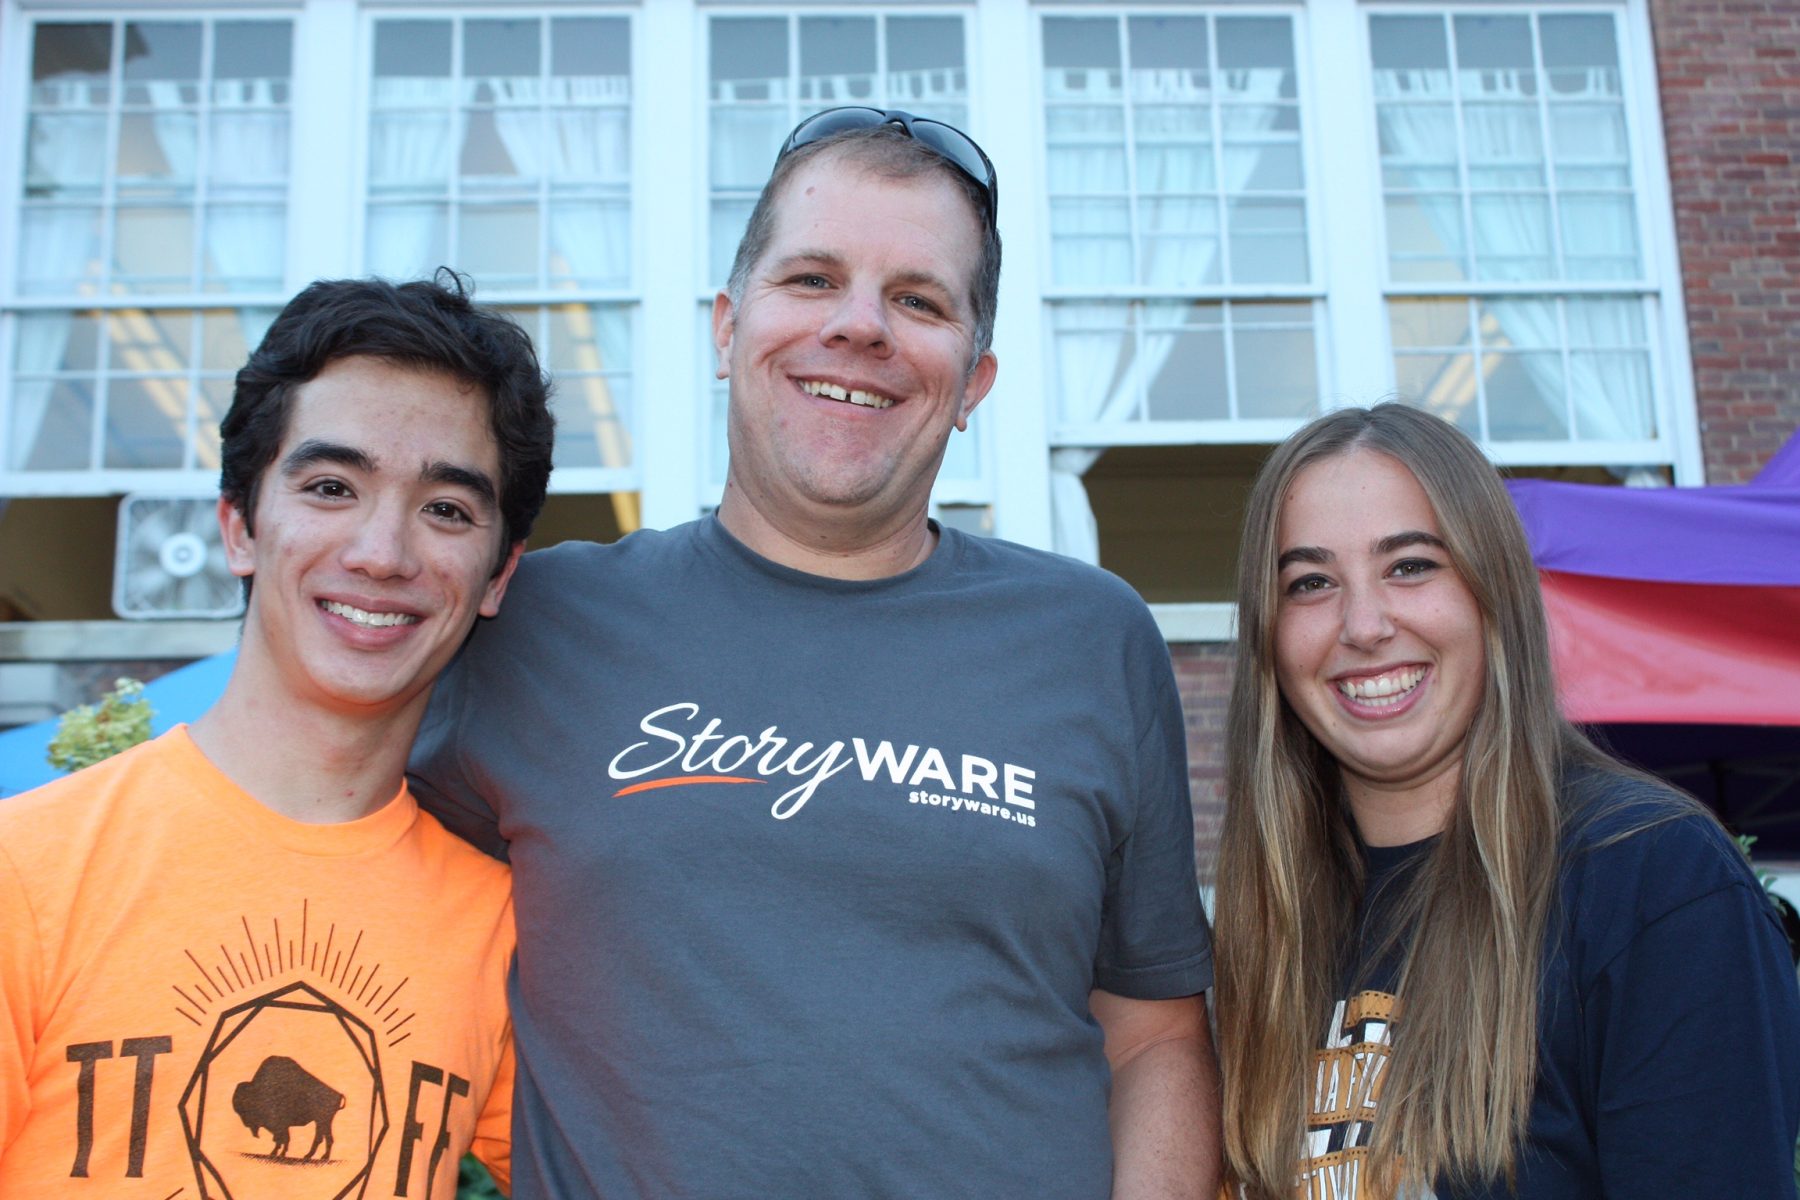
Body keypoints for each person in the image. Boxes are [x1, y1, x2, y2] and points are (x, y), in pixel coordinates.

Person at [410, 107, 1220, 1198]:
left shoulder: (1092, 640)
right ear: (726, 328)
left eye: (919, 301)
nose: (860, 326)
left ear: (973, 381)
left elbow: (1154, 1038)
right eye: (812, 279)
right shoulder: (535, 627)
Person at [0, 274, 555, 1198]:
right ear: (240, 526)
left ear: (497, 577)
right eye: (332, 487)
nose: (382, 552)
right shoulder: (25, 873)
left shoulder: (503, 926)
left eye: (447, 509)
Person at [1214, 403, 1800, 1198]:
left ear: (1494, 592)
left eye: (1411, 566)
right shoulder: (1272, 924)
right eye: (1310, 582)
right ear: (1269, 640)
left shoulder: (1654, 884)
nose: (1363, 624)